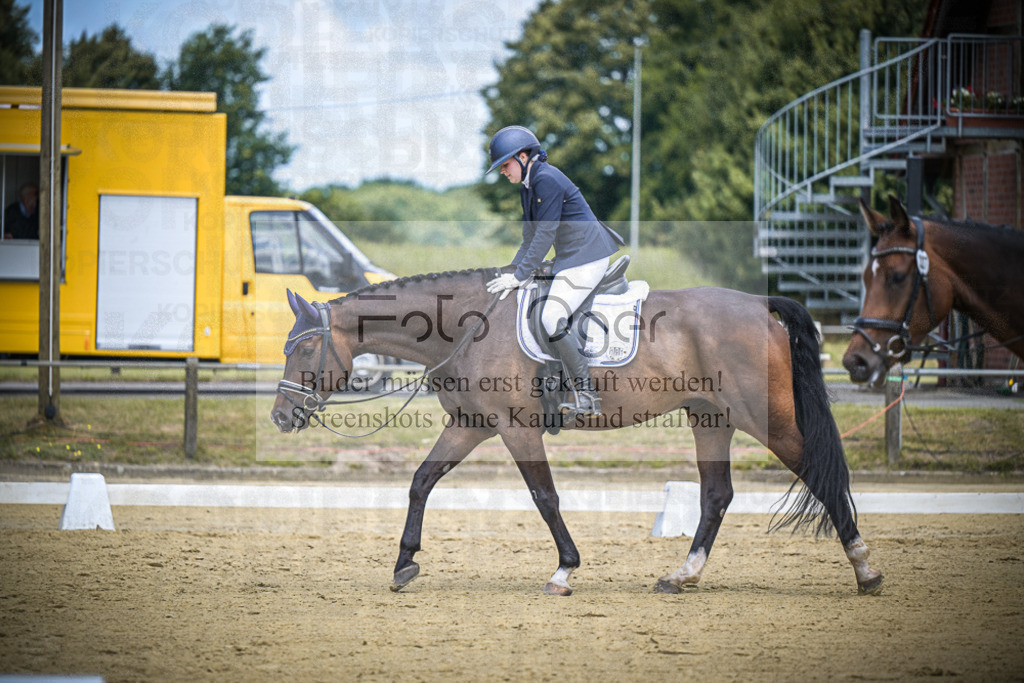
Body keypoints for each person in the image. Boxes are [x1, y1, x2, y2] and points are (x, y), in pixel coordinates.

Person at [484, 125, 624, 419]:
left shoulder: (545, 179)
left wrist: (520, 276)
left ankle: (587, 395)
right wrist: (510, 273)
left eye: (505, 165)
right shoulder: (528, 185)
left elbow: (545, 234)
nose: (502, 171)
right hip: (571, 258)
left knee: (551, 317)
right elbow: (529, 239)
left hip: (587, 257)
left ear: (523, 157)